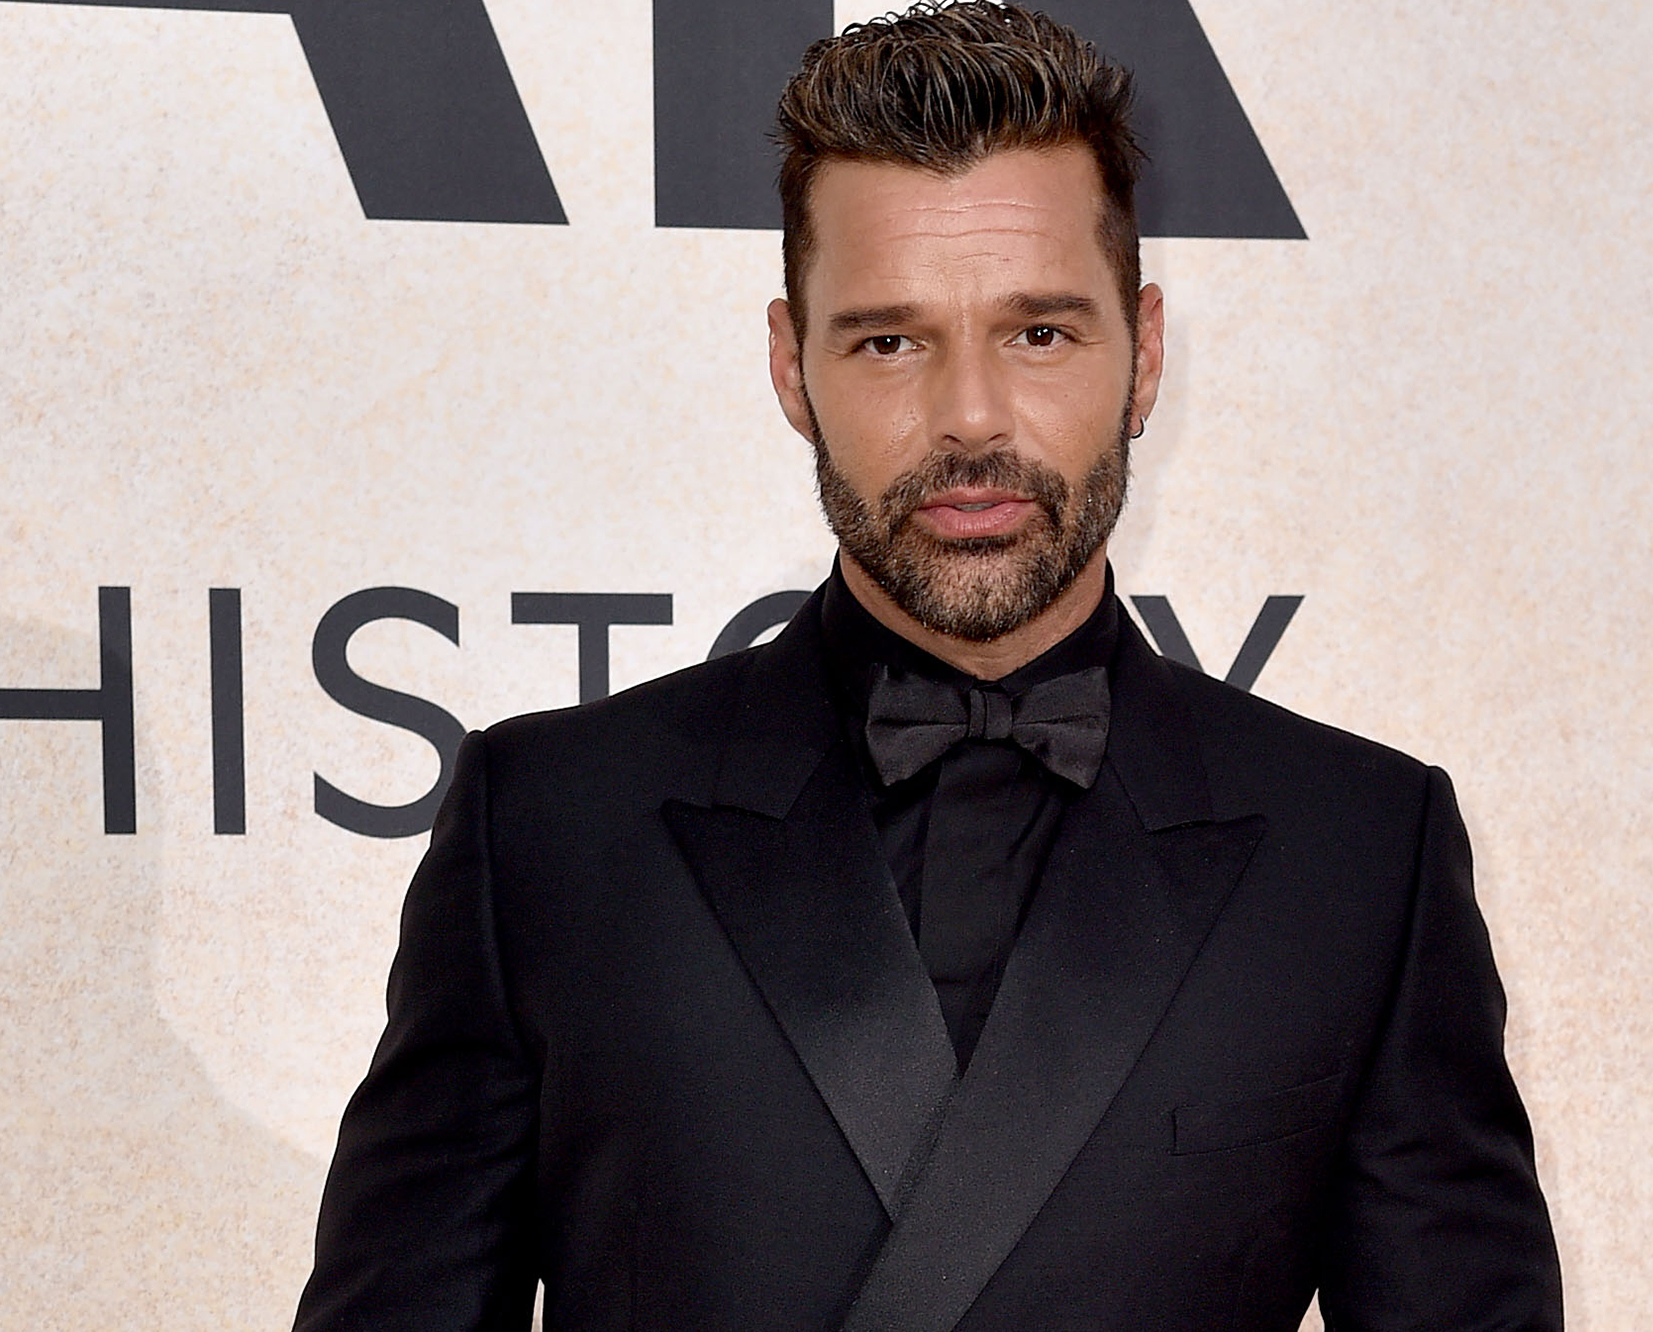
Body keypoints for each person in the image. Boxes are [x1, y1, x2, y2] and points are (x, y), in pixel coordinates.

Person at [293, 5, 1562, 1330]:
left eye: (1040, 334)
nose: (969, 417)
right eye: (889, 341)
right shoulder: (551, 828)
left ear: (1146, 354)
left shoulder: (1358, 854)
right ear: (792, 366)